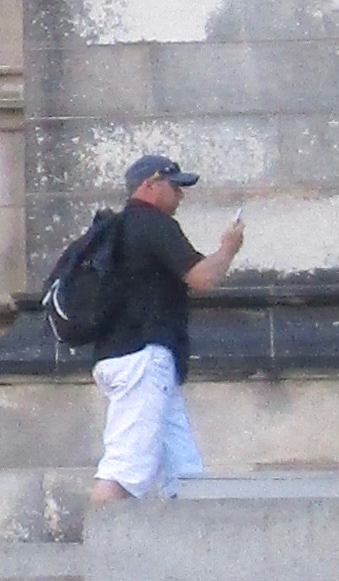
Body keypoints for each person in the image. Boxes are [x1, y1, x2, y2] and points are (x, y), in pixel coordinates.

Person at [91, 151, 242, 505]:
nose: (181, 195)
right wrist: (228, 249)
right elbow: (202, 278)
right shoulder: (152, 223)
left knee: (184, 472)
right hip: (144, 358)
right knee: (122, 473)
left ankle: (192, 533)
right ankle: (97, 540)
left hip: (123, 356)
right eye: (175, 187)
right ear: (150, 185)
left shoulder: (115, 229)